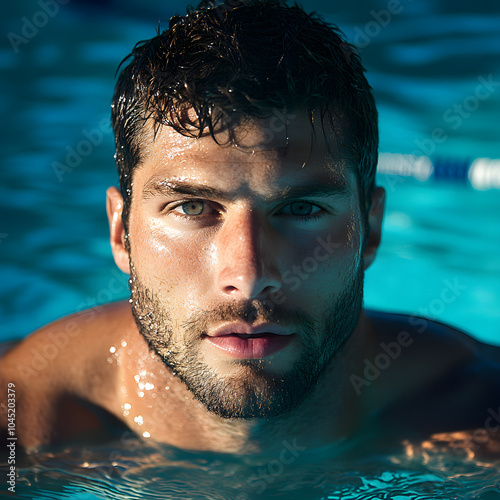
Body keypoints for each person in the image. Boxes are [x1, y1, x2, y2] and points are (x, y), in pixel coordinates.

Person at [1, 0, 499, 457]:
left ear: (369, 229)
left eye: (301, 209)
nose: (249, 273)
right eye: (193, 208)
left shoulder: (472, 409)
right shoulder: (24, 418)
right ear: (120, 233)